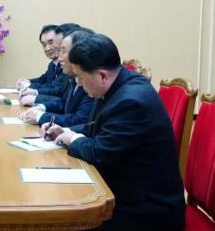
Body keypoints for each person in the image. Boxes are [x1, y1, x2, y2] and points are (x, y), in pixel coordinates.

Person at [44, 34, 185, 230]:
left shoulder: (131, 102)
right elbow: (99, 128)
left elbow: (100, 153)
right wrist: (65, 131)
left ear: (102, 75)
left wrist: (73, 139)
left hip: (145, 211)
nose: (78, 84)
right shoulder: (116, 85)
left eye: (80, 78)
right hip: (127, 190)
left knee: (58, 219)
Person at [19, 29, 94, 126]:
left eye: (63, 52)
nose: (60, 58)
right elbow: (63, 103)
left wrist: (41, 116)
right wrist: (41, 108)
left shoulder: (91, 82)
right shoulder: (72, 77)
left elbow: (81, 121)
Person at [19, 23, 81, 107]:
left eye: (51, 42)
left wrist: (33, 92)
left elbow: (57, 90)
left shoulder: (72, 70)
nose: (47, 48)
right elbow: (44, 79)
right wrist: (28, 82)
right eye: (44, 44)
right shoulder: (53, 64)